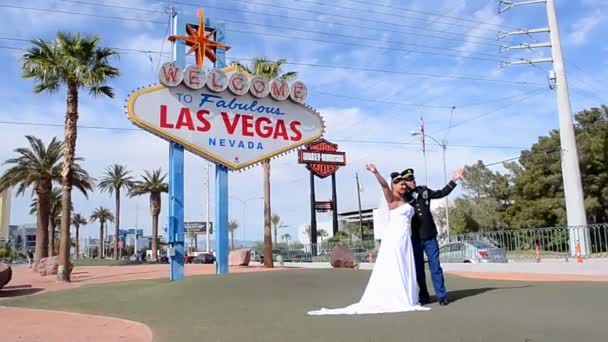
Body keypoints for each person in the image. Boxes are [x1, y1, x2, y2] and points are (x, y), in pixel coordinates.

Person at [307, 164, 429, 315]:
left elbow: (413, 189)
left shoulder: (406, 198)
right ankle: (396, 296)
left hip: (405, 237)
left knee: (405, 265)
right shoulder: (391, 198)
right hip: (395, 237)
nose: (404, 187)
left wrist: (412, 184)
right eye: (401, 184)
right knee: (396, 264)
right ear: (394, 186)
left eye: (405, 185)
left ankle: (407, 296)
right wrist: (376, 172)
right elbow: (384, 185)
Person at [401, 167, 463, 306]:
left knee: (435, 266)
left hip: (429, 235)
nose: (413, 181)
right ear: (404, 182)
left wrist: (454, 180)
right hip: (415, 238)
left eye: (413, 178)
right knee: (418, 269)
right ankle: (423, 295)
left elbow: (441, 193)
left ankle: (442, 296)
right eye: (409, 180)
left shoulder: (424, 191)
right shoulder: (403, 197)